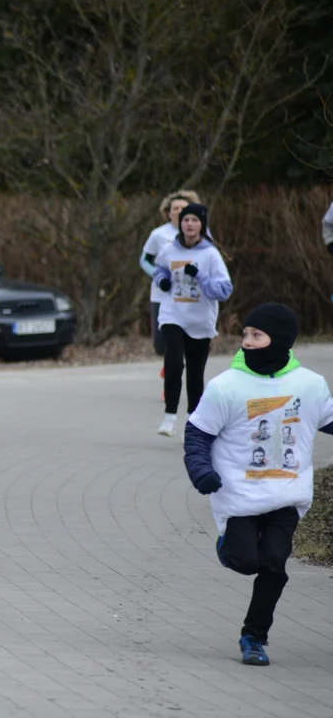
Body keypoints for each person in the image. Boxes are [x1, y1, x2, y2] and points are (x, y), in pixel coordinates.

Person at [184, 303, 333, 666]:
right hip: (240, 497)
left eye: (256, 335)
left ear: (279, 341)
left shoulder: (310, 385)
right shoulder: (225, 387)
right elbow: (197, 434)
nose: (247, 342)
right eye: (246, 334)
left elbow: (329, 419)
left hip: (287, 496)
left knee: (274, 566)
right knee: (244, 560)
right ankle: (227, 547)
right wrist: (201, 471)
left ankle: (254, 636)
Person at [152, 203, 232, 437]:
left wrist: (200, 276)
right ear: (180, 223)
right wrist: (162, 281)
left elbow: (224, 290)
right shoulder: (169, 250)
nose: (189, 224)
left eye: (194, 220)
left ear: (202, 225)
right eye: (185, 219)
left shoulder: (210, 254)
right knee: (174, 363)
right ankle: (169, 418)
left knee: (195, 372)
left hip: (200, 320)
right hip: (172, 314)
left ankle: (193, 421)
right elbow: (159, 270)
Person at [139, 190, 202, 358]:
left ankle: (178, 372)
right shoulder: (159, 234)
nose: (180, 211)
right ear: (168, 213)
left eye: (184, 207)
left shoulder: (199, 234)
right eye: (175, 208)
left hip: (189, 294)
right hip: (162, 294)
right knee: (160, 346)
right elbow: (144, 260)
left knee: (187, 339)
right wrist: (159, 277)